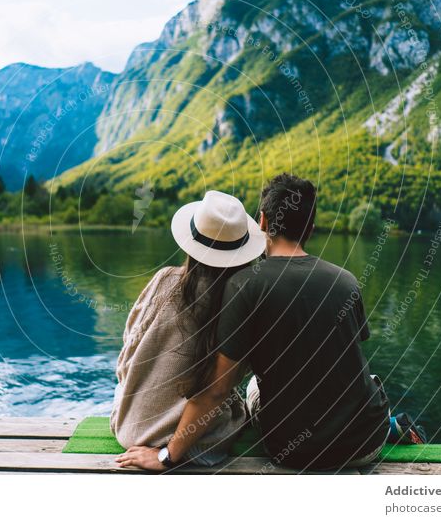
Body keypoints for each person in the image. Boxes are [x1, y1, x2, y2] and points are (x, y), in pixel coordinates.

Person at [116, 173, 424, 472]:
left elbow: (216, 390)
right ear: (311, 228)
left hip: (296, 451)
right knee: (358, 378)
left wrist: (167, 457)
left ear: (263, 221)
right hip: (366, 445)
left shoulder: (244, 285)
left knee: (253, 385)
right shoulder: (347, 281)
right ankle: (389, 426)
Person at [110, 190, 266, 466]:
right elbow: (222, 387)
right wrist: (166, 455)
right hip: (198, 442)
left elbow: (128, 350)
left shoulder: (163, 280)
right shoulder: (242, 300)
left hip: (130, 426)